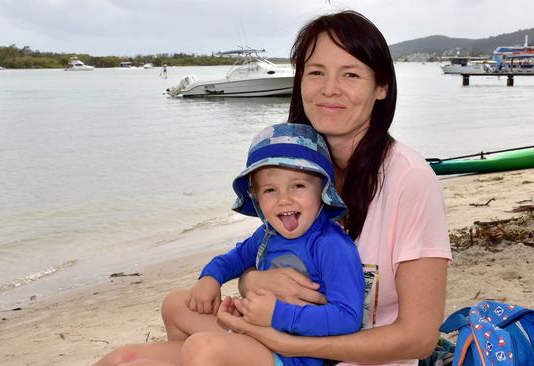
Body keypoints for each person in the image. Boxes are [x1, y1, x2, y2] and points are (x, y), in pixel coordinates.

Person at [217, 10, 452, 366]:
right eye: (316, 73)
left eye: (351, 74)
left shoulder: (409, 179)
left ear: (381, 87)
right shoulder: (296, 163)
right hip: (281, 343)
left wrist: (294, 344)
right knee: (132, 354)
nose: (329, 89)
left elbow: (419, 338)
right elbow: (271, 253)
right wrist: (251, 281)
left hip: (358, 357)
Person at [98, 123, 366, 366]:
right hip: (253, 333)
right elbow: (233, 259)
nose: (284, 199)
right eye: (270, 190)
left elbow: (347, 318)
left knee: (202, 348)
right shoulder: (267, 235)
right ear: (257, 198)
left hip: (294, 356)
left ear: (323, 191)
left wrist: (277, 314)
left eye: (297, 186)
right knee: (172, 307)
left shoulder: (331, 246)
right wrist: (211, 278)